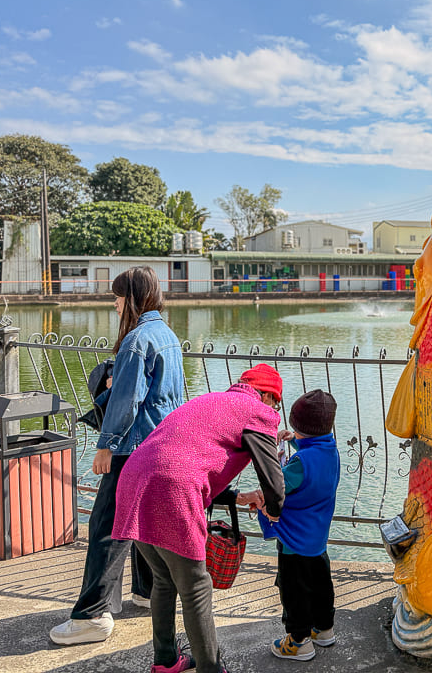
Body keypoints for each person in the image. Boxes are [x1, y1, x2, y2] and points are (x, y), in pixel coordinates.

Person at [112, 363, 287, 673]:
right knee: (196, 587)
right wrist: (273, 509)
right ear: (268, 396)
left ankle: (166, 660)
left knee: (164, 580)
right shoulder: (258, 411)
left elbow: (184, 456)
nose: (276, 410)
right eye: (277, 402)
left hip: (133, 482)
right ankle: (211, 668)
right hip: (170, 489)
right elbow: (273, 481)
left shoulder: (211, 401)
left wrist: (236, 497)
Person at [50, 266, 185, 646]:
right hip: (160, 443)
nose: (114, 304)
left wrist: (106, 444)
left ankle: (92, 615)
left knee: (107, 528)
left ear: (132, 298)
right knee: (143, 521)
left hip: (130, 447)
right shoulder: (167, 335)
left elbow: (128, 400)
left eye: (117, 297)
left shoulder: (137, 340)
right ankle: (145, 591)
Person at [245, 388, 340, 662]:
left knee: (294, 590)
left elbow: (277, 486)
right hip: (317, 537)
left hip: (294, 540)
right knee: (321, 584)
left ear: (298, 425)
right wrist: (296, 441)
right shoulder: (330, 451)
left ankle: (298, 641)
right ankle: (324, 630)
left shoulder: (299, 464)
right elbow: (314, 452)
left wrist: (272, 457)